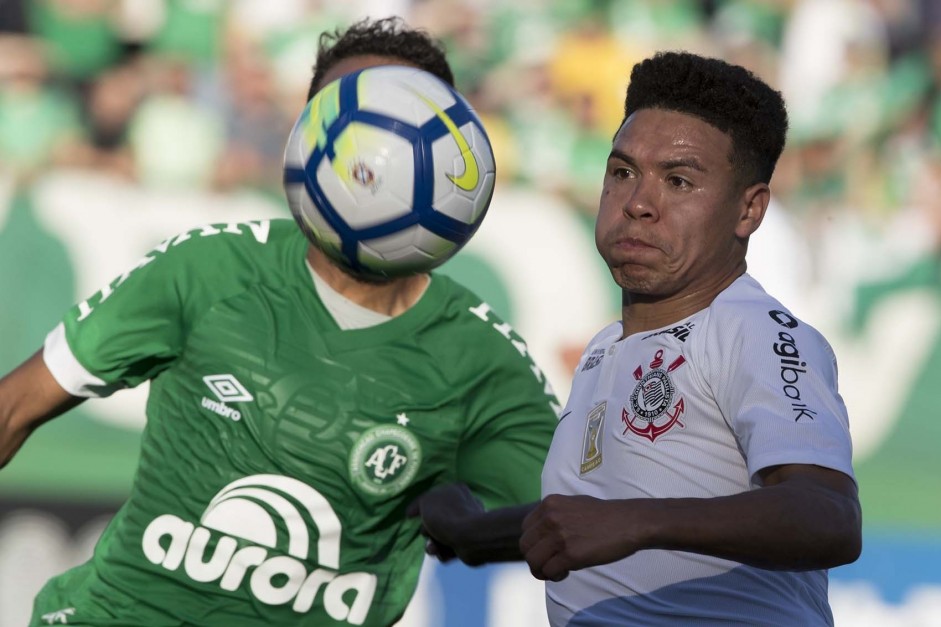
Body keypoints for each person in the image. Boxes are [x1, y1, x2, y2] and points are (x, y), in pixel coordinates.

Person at [0, 17, 559, 627]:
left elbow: (573, 525)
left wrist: (477, 534)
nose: (372, 151)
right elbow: (15, 405)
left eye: (395, 114)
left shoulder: (481, 359)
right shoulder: (207, 267)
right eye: (346, 109)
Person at [409, 51, 862, 626]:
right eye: (622, 172)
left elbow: (830, 517)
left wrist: (636, 522)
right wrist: (472, 533)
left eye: (678, 181)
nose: (639, 204)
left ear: (749, 210)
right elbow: (588, 522)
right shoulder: (605, 348)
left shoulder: (752, 331)